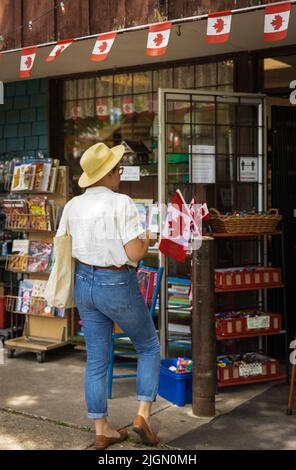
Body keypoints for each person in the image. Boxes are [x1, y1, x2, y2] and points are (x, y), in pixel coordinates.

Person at [56, 142, 160, 450]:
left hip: (84, 282)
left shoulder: (73, 205)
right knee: (149, 345)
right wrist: (147, 240)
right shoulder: (122, 202)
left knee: (97, 358)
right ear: (112, 173)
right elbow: (133, 252)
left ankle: (102, 430)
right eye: (118, 169)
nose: (120, 174)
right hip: (115, 281)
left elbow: (63, 243)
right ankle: (142, 416)